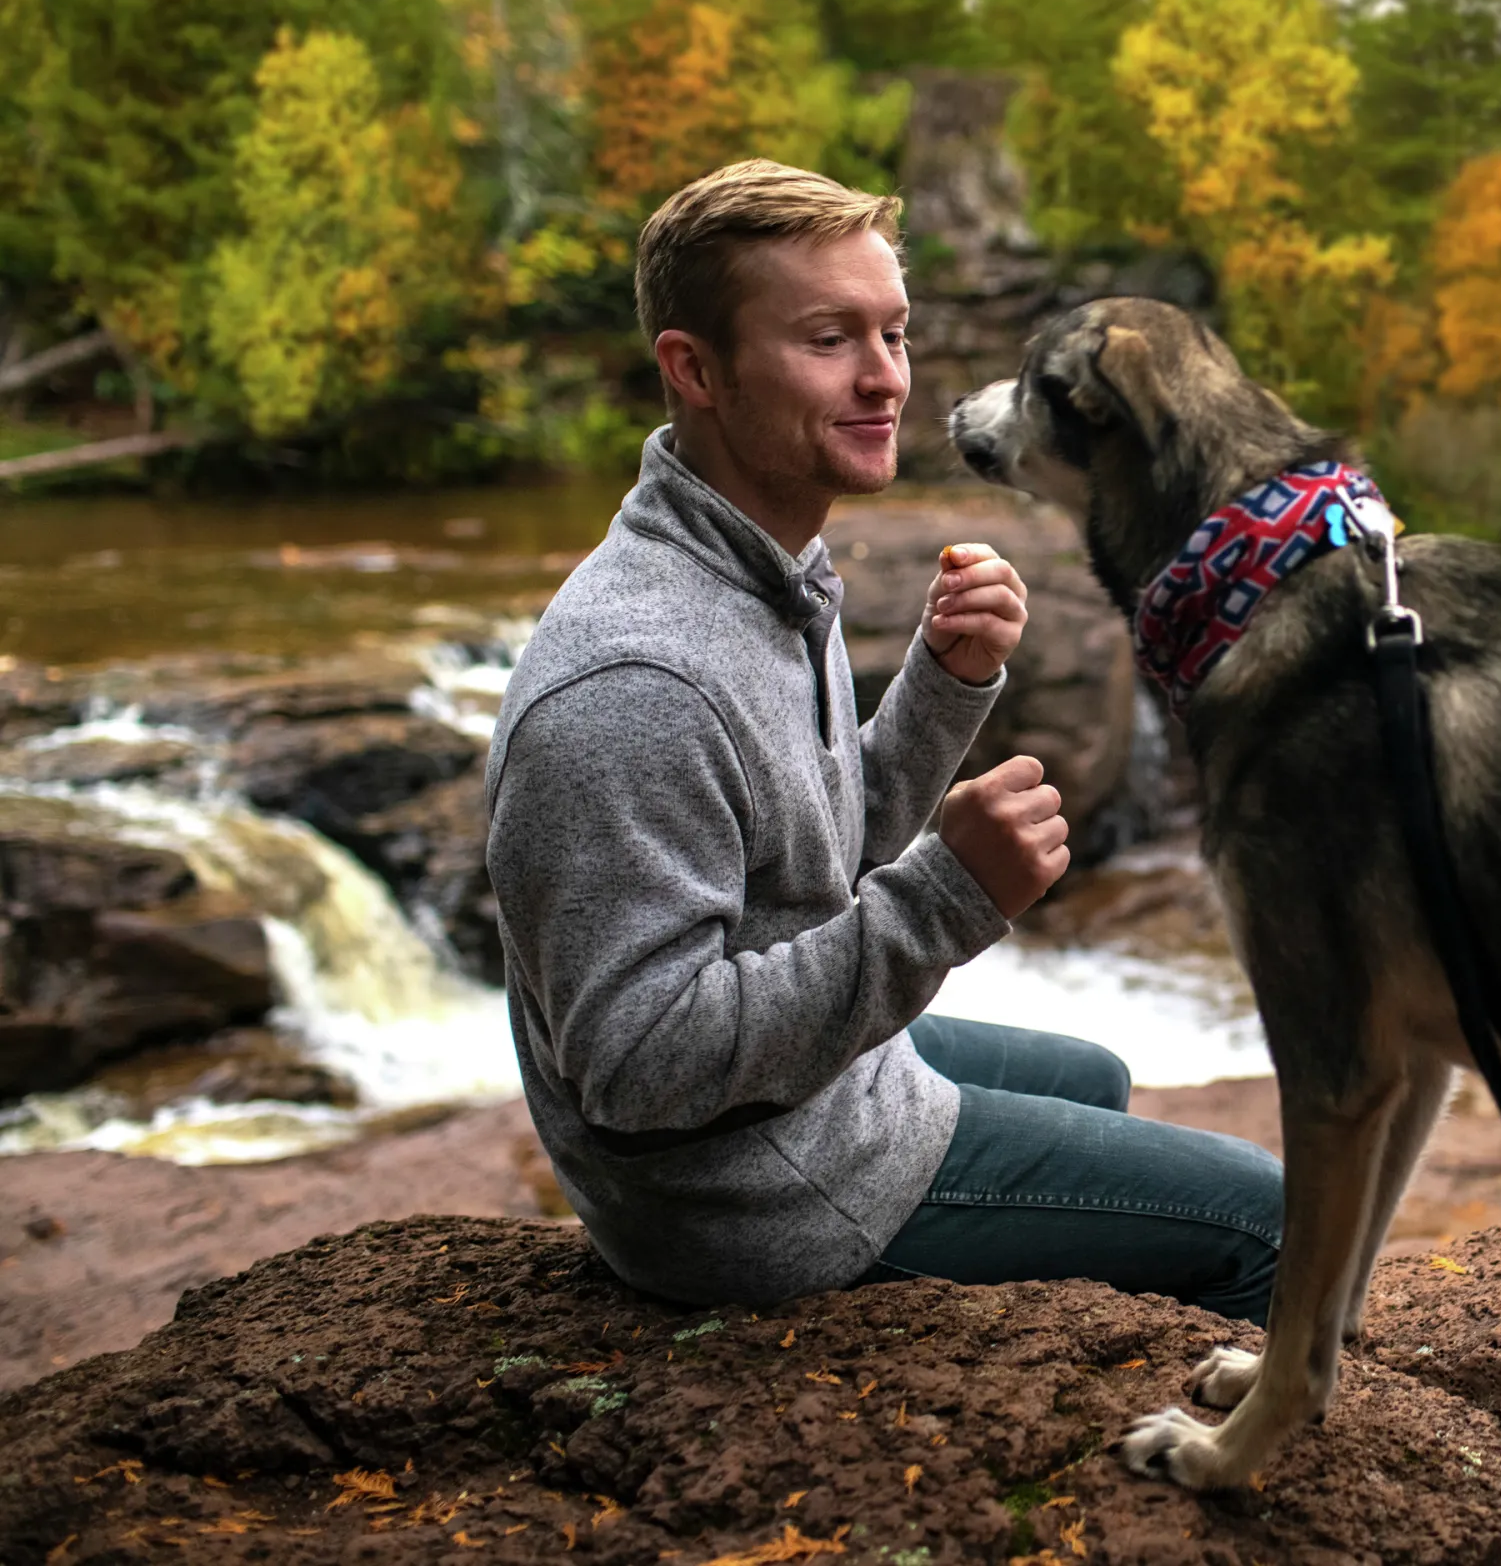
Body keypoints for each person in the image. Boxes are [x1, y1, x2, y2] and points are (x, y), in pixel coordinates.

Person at [484, 159, 1281, 1322]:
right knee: (1268, 1216)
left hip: (782, 1113)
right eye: (828, 340)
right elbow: (642, 1068)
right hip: (748, 1200)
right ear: (692, 369)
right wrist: (943, 900)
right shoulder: (633, 684)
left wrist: (944, 685)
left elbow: (809, 859)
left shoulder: (763, 566)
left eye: (894, 334)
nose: (884, 379)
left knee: (1097, 1079)